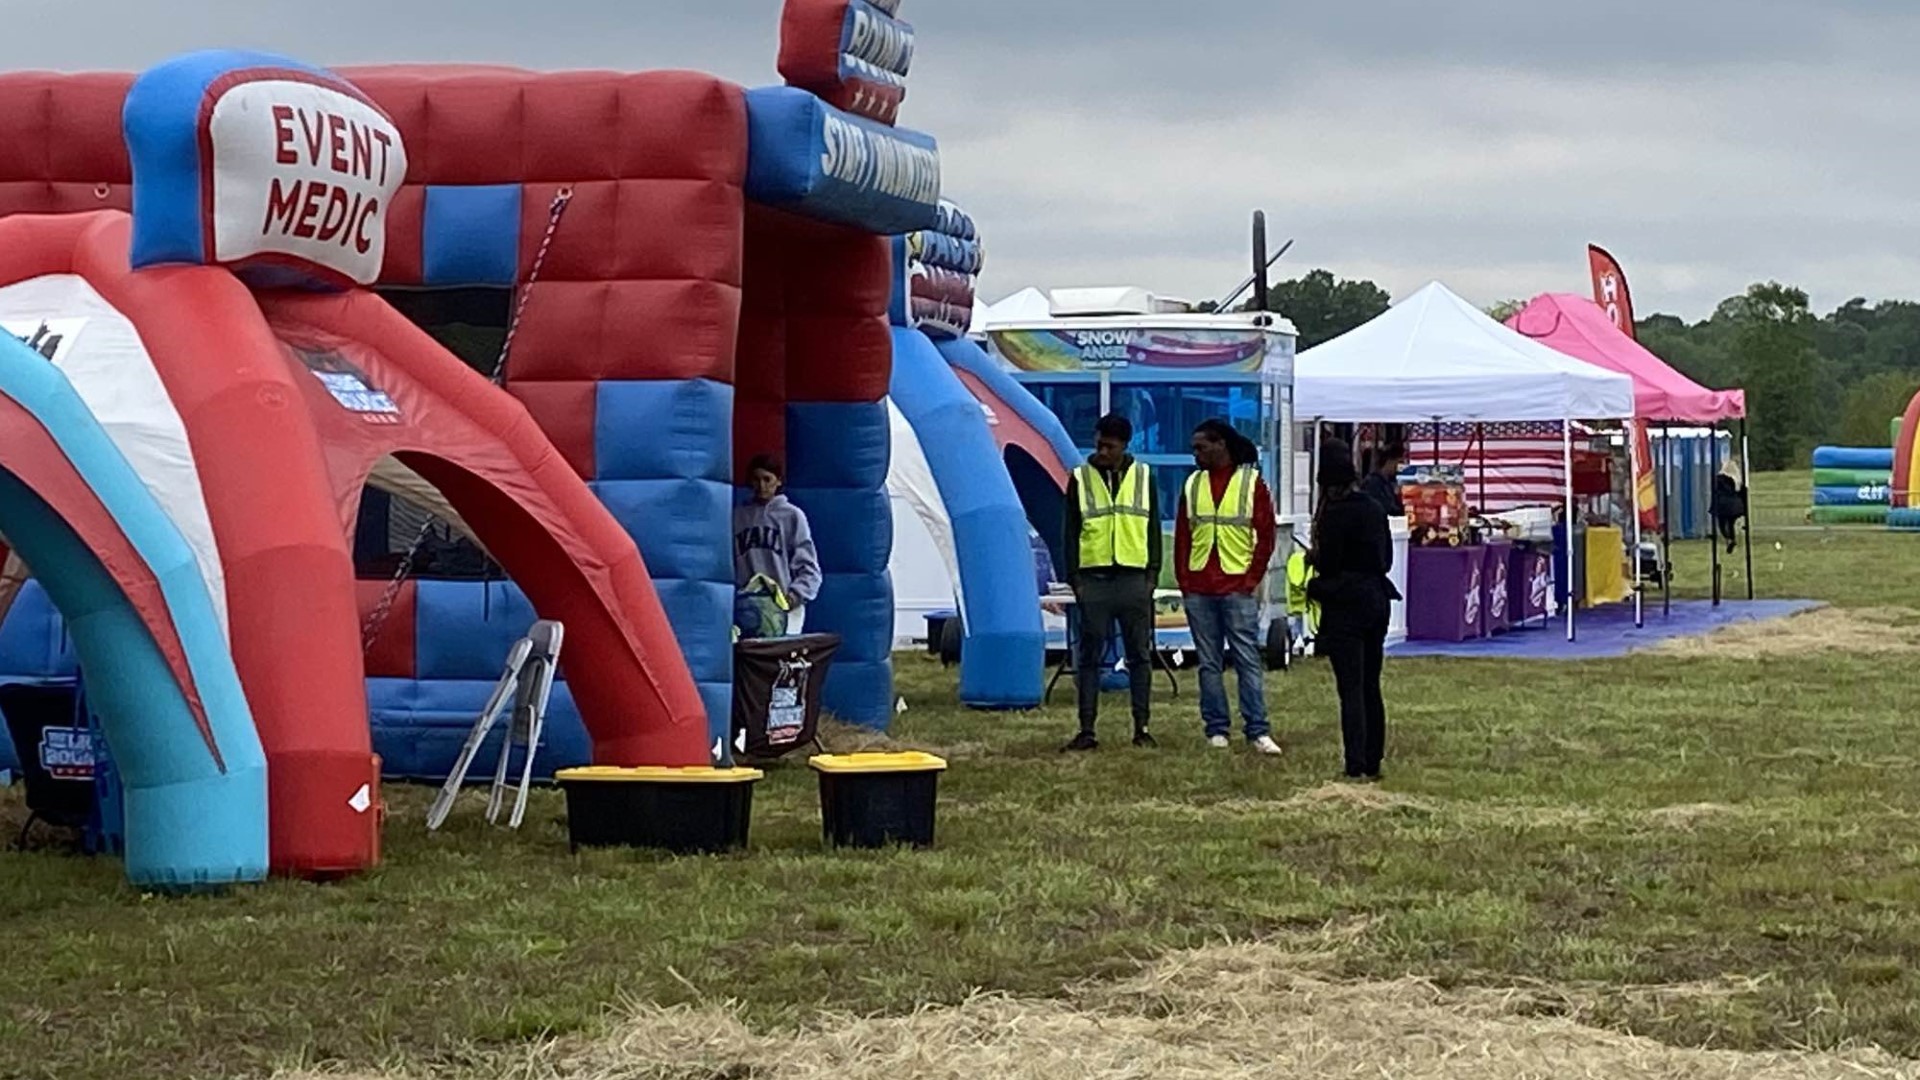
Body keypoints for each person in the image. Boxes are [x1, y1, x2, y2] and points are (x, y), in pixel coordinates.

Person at [1176, 419, 1280, 755]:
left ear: (1221, 445)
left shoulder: (1252, 484)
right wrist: (1185, 581)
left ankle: (1257, 729)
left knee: (1246, 658)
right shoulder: (1192, 484)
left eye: (1201, 447)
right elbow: (1183, 536)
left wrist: (1250, 579)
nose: (1196, 454)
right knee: (1208, 662)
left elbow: (1266, 536)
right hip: (1200, 585)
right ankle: (1216, 728)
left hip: (1236, 584)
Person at [1060, 414, 1162, 751]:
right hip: (1094, 578)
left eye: (1110, 446)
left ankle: (1142, 728)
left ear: (1125, 445)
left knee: (1139, 656)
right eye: (1099, 443)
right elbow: (1070, 531)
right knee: (1089, 656)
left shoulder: (1144, 476)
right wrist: (1075, 578)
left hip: (1134, 577)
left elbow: (1152, 528)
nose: (1102, 451)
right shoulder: (1080, 478)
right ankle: (1087, 729)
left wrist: (1151, 575)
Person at [1307, 439, 1399, 781]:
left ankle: (1355, 762)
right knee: (1371, 684)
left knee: (1350, 688)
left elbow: (1329, 564)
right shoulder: (1373, 507)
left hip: (1346, 604)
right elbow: (1385, 558)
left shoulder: (1335, 513)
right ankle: (1373, 761)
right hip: (1377, 598)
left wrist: (1314, 574)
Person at [732, 454, 822, 634]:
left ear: (778, 481)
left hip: (785, 605)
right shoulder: (737, 517)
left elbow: (808, 566)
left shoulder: (792, 516)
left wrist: (793, 597)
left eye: (767, 479)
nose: (762, 486)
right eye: (756, 479)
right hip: (749, 607)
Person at [1711, 457, 1747, 554]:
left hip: (1723, 505)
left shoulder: (1720, 478)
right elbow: (1743, 493)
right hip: (1736, 506)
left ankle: (1728, 538)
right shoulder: (1738, 480)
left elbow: (1716, 491)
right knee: (1731, 524)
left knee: (1722, 524)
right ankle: (1732, 539)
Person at [1360, 442, 1406, 518]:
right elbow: (1385, 508)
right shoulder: (1373, 483)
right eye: (1399, 462)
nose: (1401, 468)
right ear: (1389, 461)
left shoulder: (1387, 483)